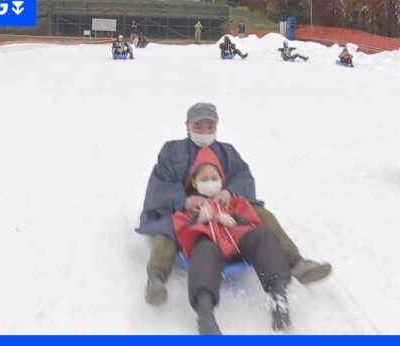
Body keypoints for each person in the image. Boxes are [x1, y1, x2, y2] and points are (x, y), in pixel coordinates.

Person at [136, 103, 331, 306]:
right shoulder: (172, 151)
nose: (205, 131)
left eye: (210, 127)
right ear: (187, 125)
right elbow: (160, 183)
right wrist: (184, 199)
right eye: (199, 126)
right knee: (167, 226)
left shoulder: (226, 152)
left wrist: (230, 191)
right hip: (185, 210)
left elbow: (243, 177)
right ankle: (156, 279)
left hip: (224, 208)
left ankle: (297, 264)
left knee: (261, 215)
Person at [173, 147, 291, 334]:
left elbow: (254, 222)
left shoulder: (235, 202)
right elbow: (183, 238)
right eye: (204, 179)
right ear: (195, 182)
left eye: (214, 178)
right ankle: (205, 315)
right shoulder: (188, 208)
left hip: (238, 242)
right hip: (211, 248)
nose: (210, 183)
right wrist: (199, 220)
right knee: (203, 251)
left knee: (264, 236)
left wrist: (236, 220)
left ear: (222, 181)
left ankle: (279, 296)